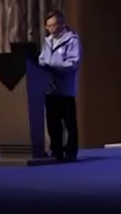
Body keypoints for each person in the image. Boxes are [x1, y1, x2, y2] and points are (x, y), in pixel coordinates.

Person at [38, 10, 81, 162]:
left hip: (65, 89)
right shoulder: (47, 41)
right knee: (53, 122)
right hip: (50, 88)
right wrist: (42, 65)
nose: (52, 29)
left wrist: (54, 66)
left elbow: (73, 62)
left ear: (62, 24)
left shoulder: (72, 40)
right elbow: (42, 58)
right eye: (49, 26)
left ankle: (71, 152)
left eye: (55, 25)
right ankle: (56, 151)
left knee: (69, 122)